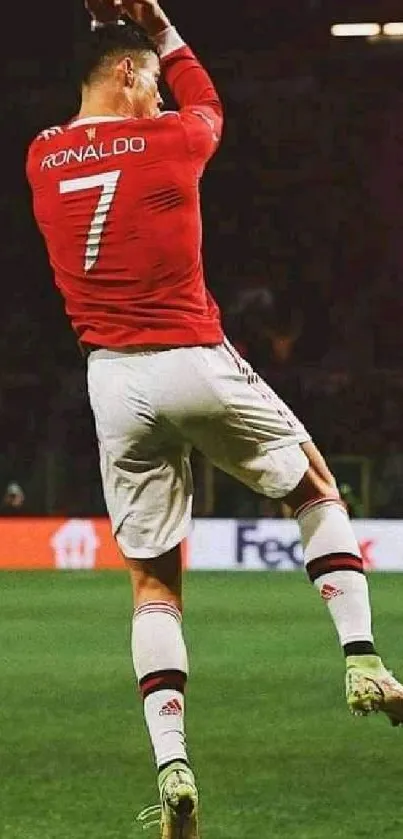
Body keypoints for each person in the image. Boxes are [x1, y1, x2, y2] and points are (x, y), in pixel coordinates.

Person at [26, 1, 403, 836]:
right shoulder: (169, 139)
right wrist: (161, 25)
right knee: (313, 485)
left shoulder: (41, 156)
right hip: (190, 353)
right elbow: (208, 103)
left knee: (153, 587)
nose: (161, 98)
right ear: (126, 73)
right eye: (150, 83)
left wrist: (135, 47)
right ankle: (363, 661)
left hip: (112, 383)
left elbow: (126, 129)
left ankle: (173, 769)